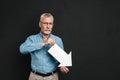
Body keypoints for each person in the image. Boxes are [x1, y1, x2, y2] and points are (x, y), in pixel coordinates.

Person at [19, 13, 69, 80]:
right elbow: (22, 50)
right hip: (35, 77)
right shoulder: (31, 39)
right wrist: (43, 43)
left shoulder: (58, 40)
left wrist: (62, 66)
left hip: (52, 77)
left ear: (52, 25)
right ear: (40, 24)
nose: (48, 26)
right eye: (45, 23)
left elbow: (62, 60)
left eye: (50, 23)